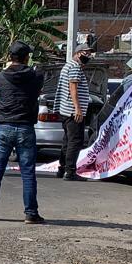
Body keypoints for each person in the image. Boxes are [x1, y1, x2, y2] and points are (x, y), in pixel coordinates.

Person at [0, 41, 44, 224]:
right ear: (26, 57)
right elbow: (37, 91)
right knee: (28, 172)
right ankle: (31, 213)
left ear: (9, 57)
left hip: (4, 126)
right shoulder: (36, 75)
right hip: (25, 127)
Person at [56, 43, 94, 181]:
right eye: (86, 53)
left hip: (66, 110)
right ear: (78, 53)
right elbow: (73, 89)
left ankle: (62, 168)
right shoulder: (74, 67)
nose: (88, 56)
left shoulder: (69, 66)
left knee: (67, 141)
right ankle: (70, 171)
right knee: (75, 141)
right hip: (73, 112)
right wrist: (78, 108)